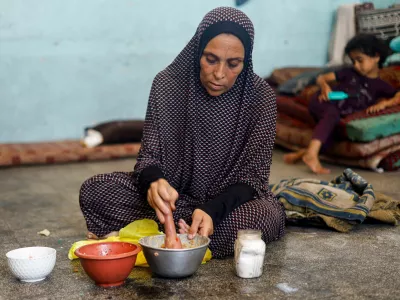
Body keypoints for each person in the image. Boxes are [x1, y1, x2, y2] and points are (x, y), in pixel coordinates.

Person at [79, 7, 285, 258]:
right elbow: (148, 159)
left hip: (229, 206)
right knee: (97, 191)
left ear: (246, 60)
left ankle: (159, 235)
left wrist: (213, 210)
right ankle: (191, 237)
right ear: (197, 50)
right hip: (174, 201)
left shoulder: (261, 97)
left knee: (263, 217)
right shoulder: (167, 84)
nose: (219, 74)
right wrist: (154, 183)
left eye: (233, 64)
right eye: (211, 59)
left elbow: (253, 177)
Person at [284, 34, 400, 174]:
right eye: (353, 61)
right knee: (332, 115)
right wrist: (325, 86)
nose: (356, 65)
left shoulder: (381, 86)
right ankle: (311, 156)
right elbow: (322, 78)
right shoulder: (348, 73)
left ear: (376, 57)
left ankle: (303, 154)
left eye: (360, 60)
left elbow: (397, 94)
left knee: (331, 137)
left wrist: (386, 103)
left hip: (338, 114)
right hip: (323, 102)